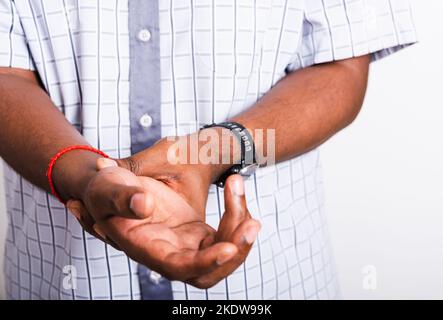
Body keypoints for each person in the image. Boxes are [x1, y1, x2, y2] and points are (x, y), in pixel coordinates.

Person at [0, 0, 416, 300]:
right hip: (59, 282)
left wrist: (214, 152)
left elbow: (339, 65)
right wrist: (86, 178)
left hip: (271, 280)